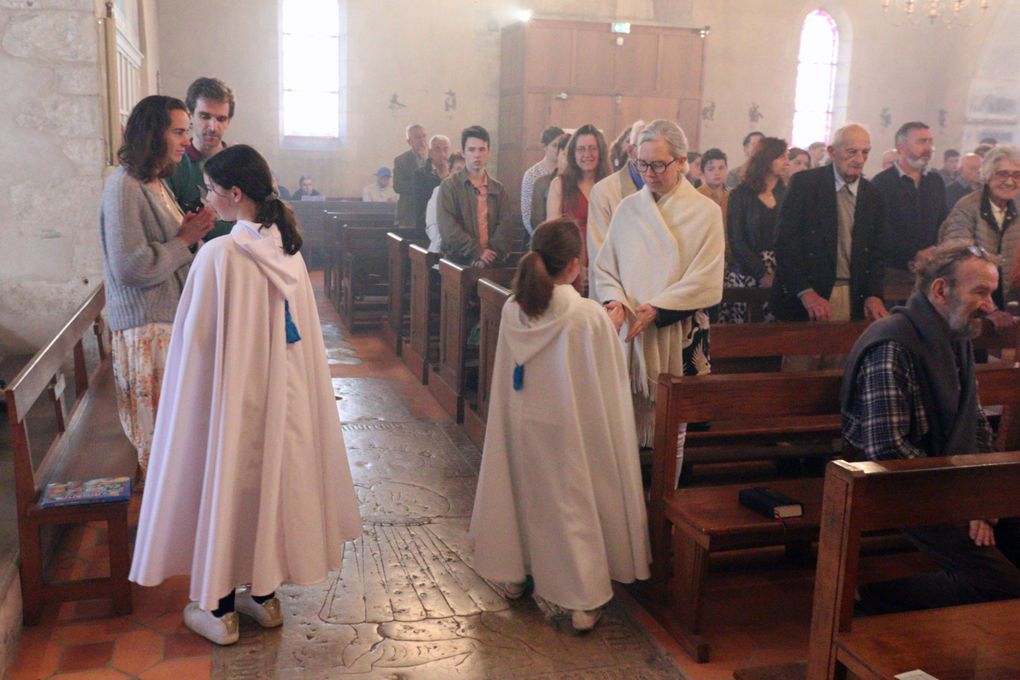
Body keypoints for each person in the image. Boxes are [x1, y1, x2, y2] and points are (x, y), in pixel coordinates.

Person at [129, 144, 362, 646]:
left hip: (232, 399)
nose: (207, 199)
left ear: (235, 194)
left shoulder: (220, 255)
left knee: (227, 481)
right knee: (267, 483)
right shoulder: (288, 250)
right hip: (281, 399)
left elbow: (196, 343)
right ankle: (261, 596)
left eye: (211, 191)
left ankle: (216, 607)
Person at [470, 218, 650, 633]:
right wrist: (612, 327)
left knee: (519, 490)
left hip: (521, 423)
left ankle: (515, 572)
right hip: (566, 427)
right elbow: (603, 380)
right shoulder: (586, 316)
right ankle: (583, 600)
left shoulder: (516, 307)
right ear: (574, 264)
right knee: (570, 503)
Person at [841, 241, 1020, 614]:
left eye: (992, 293)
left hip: (946, 481)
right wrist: (965, 500)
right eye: (980, 292)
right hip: (897, 486)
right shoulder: (893, 343)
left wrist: (987, 494)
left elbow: (975, 425)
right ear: (941, 289)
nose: (990, 306)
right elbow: (888, 451)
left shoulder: (954, 337)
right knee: (1002, 585)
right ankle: (862, 601)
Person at [99, 95, 215, 477]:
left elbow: (169, 243)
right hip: (146, 331)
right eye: (179, 131)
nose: (187, 139)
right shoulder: (125, 187)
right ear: (153, 134)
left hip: (164, 322)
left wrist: (189, 233)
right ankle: (157, 527)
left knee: (175, 436)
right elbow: (131, 266)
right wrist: (184, 241)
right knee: (161, 444)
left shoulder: (153, 183)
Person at [593, 119, 725, 446]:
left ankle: (664, 495)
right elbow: (606, 268)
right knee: (622, 427)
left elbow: (707, 278)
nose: (649, 173)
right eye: (642, 164)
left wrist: (658, 308)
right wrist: (614, 301)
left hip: (681, 330)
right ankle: (627, 495)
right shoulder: (628, 209)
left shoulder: (705, 212)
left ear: (682, 162)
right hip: (631, 332)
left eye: (658, 164)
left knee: (672, 431)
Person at [771, 124, 888, 324]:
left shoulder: (873, 195)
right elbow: (785, 242)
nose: (859, 159)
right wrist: (805, 292)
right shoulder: (805, 184)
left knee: (846, 355)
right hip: (807, 297)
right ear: (832, 152)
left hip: (854, 296)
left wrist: (873, 294)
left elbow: (877, 251)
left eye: (865, 152)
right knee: (803, 355)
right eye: (852, 152)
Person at [940, 146, 1020, 321]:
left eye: (1016, 175)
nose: (1009, 181)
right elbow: (959, 259)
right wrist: (989, 309)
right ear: (987, 176)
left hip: (1010, 299)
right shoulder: (967, 207)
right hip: (969, 302)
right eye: (1002, 174)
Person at [720, 137, 788, 323]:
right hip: (746, 272)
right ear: (766, 159)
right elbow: (736, 239)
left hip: (779, 272)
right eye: (781, 156)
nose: (786, 162)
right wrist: (761, 273)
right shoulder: (740, 195)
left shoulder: (787, 194)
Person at [872, 122, 947, 277]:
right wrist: (914, 253)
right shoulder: (882, 183)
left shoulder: (935, 180)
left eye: (930, 141)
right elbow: (880, 229)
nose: (928, 148)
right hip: (894, 268)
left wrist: (936, 250)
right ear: (901, 148)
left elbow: (944, 220)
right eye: (921, 142)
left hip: (930, 267)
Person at [166, 77, 236, 241]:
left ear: (229, 121)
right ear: (190, 116)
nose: (213, 127)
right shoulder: (174, 165)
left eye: (221, 119)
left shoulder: (241, 165)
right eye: (205, 116)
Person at [547, 124, 611, 294]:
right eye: (581, 149)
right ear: (573, 154)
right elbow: (552, 234)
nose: (587, 155)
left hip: (605, 267)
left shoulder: (611, 186)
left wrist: (601, 269)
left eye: (592, 149)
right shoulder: (560, 184)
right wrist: (574, 268)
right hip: (569, 265)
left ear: (601, 152)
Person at [586, 120, 647, 297]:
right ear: (631, 151)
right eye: (644, 148)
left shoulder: (667, 189)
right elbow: (601, 252)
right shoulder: (604, 191)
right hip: (616, 295)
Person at [436, 125, 512, 267]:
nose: (477, 155)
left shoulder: (498, 188)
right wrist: (477, 252)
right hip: (458, 262)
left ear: (488, 152)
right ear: (464, 153)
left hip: (491, 262)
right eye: (471, 150)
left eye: (482, 149)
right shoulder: (449, 186)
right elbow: (448, 228)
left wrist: (487, 256)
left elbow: (505, 225)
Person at [520, 126, 564, 236]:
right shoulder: (532, 174)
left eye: (561, 146)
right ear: (545, 147)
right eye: (554, 145)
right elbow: (527, 214)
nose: (558, 149)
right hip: (538, 235)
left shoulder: (567, 171)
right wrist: (539, 239)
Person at [412, 134, 452, 239]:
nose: (442, 154)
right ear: (430, 152)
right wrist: (444, 178)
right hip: (428, 227)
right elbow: (422, 205)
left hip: (452, 229)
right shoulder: (421, 174)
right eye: (437, 150)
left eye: (445, 149)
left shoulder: (456, 173)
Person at [529, 133, 569, 237]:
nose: (568, 161)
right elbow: (537, 221)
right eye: (565, 155)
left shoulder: (581, 183)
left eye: (572, 156)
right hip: (548, 238)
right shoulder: (542, 183)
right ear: (558, 154)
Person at [425, 152, 465, 253]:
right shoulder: (439, 191)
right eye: (458, 169)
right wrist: (442, 245)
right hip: (442, 250)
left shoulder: (476, 194)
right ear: (450, 170)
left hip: (467, 252)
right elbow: (432, 224)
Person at [393, 124, 428, 226]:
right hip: (409, 213)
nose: (422, 140)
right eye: (417, 137)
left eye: (424, 136)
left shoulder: (434, 157)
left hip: (430, 211)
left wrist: (426, 161)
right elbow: (398, 186)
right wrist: (422, 186)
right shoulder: (401, 160)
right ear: (409, 142)